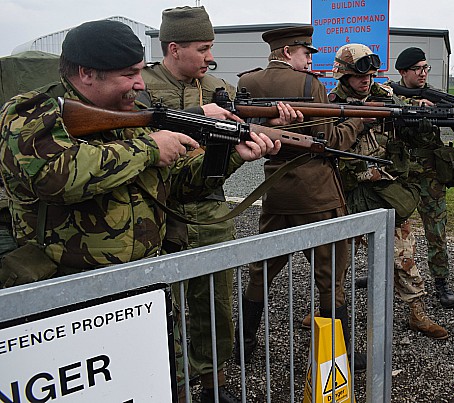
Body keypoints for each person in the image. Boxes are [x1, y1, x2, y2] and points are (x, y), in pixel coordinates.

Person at [0, 21, 278, 281]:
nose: (141, 83)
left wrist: (233, 155)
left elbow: (177, 186)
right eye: (129, 74)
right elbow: (56, 178)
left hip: (144, 277)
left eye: (140, 70)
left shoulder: (133, 114)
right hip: (67, 285)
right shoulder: (33, 111)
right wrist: (149, 147)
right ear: (86, 73)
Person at [138, 7, 297, 402]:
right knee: (164, 310)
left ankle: (213, 385)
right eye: (203, 48)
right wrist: (195, 116)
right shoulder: (141, 89)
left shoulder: (218, 87)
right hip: (157, 215)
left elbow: (242, 133)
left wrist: (269, 129)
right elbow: (139, 135)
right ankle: (168, 386)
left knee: (215, 306)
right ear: (174, 49)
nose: (211, 57)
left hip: (210, 212)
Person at [235, 26, 367, 371]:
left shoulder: (247, 83)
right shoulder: (310, 85)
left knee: (261, 270)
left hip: (276, 189)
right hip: (316, 192)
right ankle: (341, 355)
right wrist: (358, 121)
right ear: (288, 52)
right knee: (330, 276)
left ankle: (243, 346)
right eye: (305, 53)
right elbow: (330, 142)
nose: (310, 59)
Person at [328, 43, 448, 339]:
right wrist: (358, 122)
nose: (366, 80)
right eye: (360, 76)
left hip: (385, 190)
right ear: (344, 76)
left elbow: (412, 136)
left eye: (370, 75)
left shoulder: (387, 98)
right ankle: (326, 308)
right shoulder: (329, 102)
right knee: (335, 258)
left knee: (404, 255)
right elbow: (328, 143)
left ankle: (416, 312)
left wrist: (420, 118)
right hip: (347, 191)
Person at [394, 47, 454, 308]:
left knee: (436, 231)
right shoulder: (390, 95)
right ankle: (383, 273)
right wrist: (413, 107)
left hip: (430, 175)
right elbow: (386, 112)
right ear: (403, 72)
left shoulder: (434, 96)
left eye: (426, 68)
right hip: (399, 175)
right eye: (417, 68)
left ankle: (440, 282)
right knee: (390, 229)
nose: (423, 73)